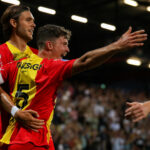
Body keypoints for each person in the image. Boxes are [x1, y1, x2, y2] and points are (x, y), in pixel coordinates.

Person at [0, 24, 147, 150]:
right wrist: (117, 46)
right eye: (64, 44)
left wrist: (15, 111)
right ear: (49, 45)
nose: (67, 49)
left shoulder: (15, 65)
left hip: (19, 138)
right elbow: (85, 61)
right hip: (30, 141)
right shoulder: (50, 67)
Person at [0, 4, 44, 134]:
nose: (34, 25)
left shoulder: (39, 56)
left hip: (32, 134)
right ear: (13, 23)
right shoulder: (1, 53)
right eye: (28, 20)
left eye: (34, 21)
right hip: (4, 134)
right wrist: (16, 112)